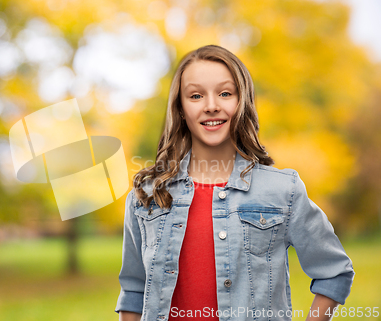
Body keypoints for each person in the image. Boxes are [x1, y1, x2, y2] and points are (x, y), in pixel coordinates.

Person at [115, 44, 354, 321]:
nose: (211, 105)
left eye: (225, 93)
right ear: (180, 108)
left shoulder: (282, 191)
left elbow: (334, 271)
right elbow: (133, 291)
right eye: (195, 95)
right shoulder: (147, 195)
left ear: (242, 102)